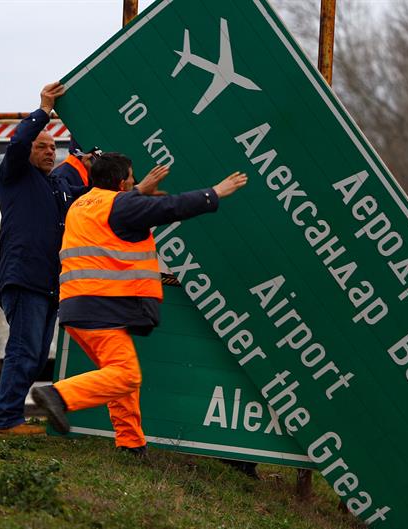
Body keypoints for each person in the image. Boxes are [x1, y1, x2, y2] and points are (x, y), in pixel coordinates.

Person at [31, 153, 247, 454]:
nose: (135, 181)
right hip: (102, 305)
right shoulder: (123, 205)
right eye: (132, 178)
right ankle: (58, 396)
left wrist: (137, 192)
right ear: (121, 182)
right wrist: (215, 193)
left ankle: (131, 442)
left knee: (116, 374)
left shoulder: (83, 204)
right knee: (126, 375)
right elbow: (172, 207)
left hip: (78, 305)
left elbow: (119, 207)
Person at [0, 81, 71, 436]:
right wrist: (44, 110)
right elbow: (19, 142)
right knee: (23, 352)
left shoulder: (54, 186)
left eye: (54, 147)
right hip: (25, 279)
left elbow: (85, 171)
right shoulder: (16, 176)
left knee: (35, 356)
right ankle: (6, 421)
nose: (50, 152)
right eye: (43, 146)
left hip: (47, 283)